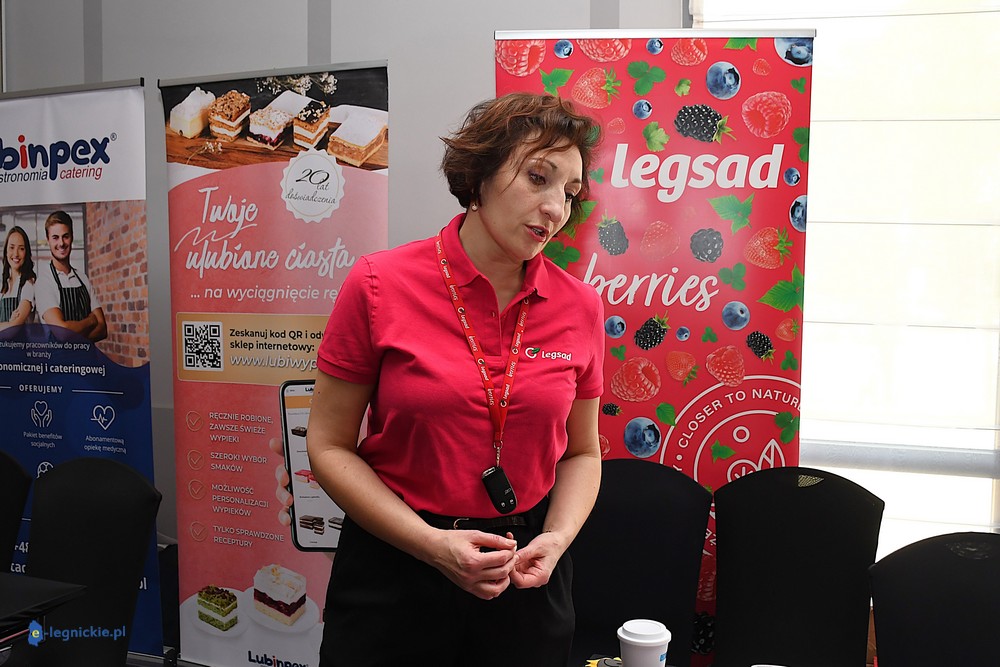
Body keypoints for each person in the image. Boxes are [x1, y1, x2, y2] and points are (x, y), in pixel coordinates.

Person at [306, 92, 605, 666]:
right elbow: (328, 445)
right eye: (537, 178)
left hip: (523, 574)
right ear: (479, 175)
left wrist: (558, 538)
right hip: (397, 568)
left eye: (569, 193)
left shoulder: (580, 306)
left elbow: (582, 453)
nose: (555, 209)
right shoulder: (379, 284)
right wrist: (432, 546)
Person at [34, 210, 107, 342]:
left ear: (72, 237)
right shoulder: (44, 282)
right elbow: (62, 333)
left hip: (87, 356)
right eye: (55, 237)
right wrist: (91, 321)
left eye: (65, 236)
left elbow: (102, 329)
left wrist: (71, 336)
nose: (61, 243)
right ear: (48, 240)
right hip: (60, 357)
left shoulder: (82, 278)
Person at [0, 225, 36, 330]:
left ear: (26, 253)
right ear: (6, 251)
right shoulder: (3, 286)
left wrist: (11, 324)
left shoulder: (28, 285)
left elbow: (13, 329)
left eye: (21, 248)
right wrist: (8, 324)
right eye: (12, 247)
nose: (16, 254)